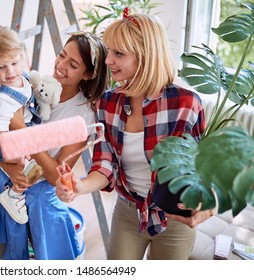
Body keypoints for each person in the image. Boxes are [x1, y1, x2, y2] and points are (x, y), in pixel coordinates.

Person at [55, 8, 214, 260]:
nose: (107, 61)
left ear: (146, 56)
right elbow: (105, 165)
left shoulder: (186, 104)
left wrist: (208, 203)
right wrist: (80, 185)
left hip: (173, 220)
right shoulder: (107, 104)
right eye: (109, 52)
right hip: (128, 212)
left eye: (118, 54)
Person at [0, 31, 109, 260]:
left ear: (88, 74)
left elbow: (56, 177)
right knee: (4, 255)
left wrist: (21, 132)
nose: (61, 65)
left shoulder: (81, 116)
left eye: (72, 64)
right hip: (2, 182)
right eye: (61, 55)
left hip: (36, 202)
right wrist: (11, 168)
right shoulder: (36, 86)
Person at [0, 25, 43, 225]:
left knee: (37, 165)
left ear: (22, 56)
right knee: (31, 168)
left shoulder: (24, 78)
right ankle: (13, 195)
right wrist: (20, 152)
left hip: (14, 134)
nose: (10, 71)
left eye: (14, 63)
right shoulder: (0, 97)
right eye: (1, 67)